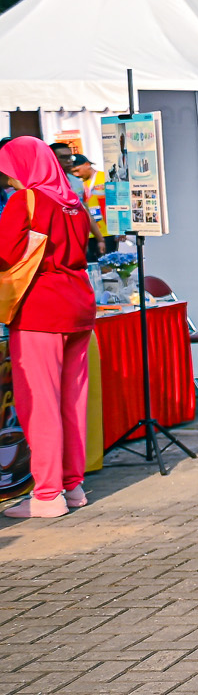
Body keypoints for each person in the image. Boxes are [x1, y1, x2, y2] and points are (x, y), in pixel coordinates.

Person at [0, 137, 94, 518]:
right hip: (78, 306)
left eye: (9, 168)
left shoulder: (27, 200)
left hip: (39, 309)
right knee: (72, 402)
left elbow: (5, 252)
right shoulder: (73, 202)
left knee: (40, 404)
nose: (7, 176)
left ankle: (47, 495)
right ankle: (72, 486)